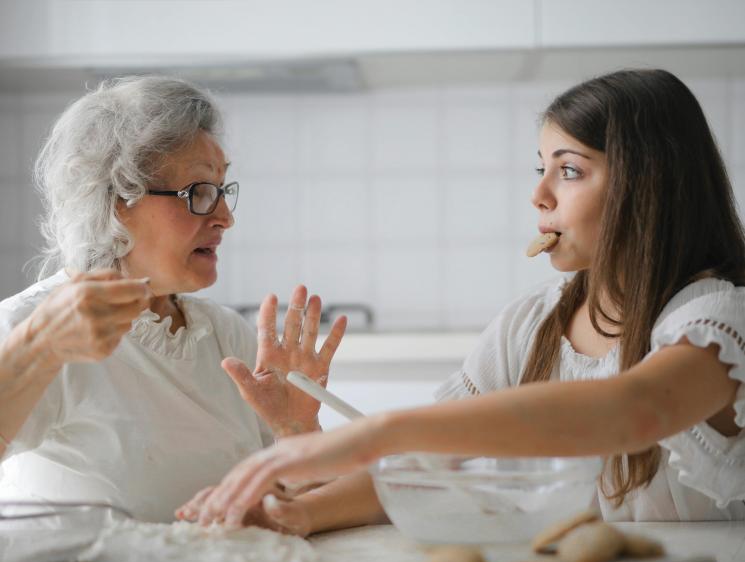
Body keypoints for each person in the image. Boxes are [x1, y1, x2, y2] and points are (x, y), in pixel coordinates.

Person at [182, 69, 745, 531]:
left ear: (646, 187)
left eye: (569, 170)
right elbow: (428, 466)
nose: (539, 194)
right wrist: (298, 514)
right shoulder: (530, 323)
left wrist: (383, 430)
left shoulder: (717, 319)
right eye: (541, 167)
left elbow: (633, 411)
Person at [0, 76, 346, 522]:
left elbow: (291, 507)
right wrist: (38, 348)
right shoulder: (27, 324)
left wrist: (297, 431)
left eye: (223, 190)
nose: (225, 217)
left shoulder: (225, 336)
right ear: (115, 201)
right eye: (198, 193)